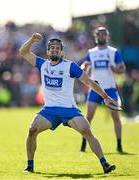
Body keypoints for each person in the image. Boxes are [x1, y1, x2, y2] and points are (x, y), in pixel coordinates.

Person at [19, 33, 119, 174]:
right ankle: (30, 166)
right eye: (52, 48)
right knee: (32, 130)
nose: (54, 50)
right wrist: (31, 40)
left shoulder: (70, 66)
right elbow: (23, 52)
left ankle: (105, 164)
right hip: (49, 110)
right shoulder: (42, 64)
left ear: (62, 52)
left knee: (87, 131)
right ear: (47, 51)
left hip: (69, 109)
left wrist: (105, 96)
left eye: (57, 48)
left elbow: (89, 82)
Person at [80, 27, 126, 153]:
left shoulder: (114, 52)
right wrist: (84, 67)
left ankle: (119, 144)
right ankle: (83, 143)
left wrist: (117, 70)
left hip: (110, 88)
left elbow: (122, 69)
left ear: (107, 37)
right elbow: (84, 66)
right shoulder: (91, 52)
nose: (101, 36)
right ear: (95, 37)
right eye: (99, 34)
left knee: (115, 117)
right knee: (88, 117)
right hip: (95, 88)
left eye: (103, 34)